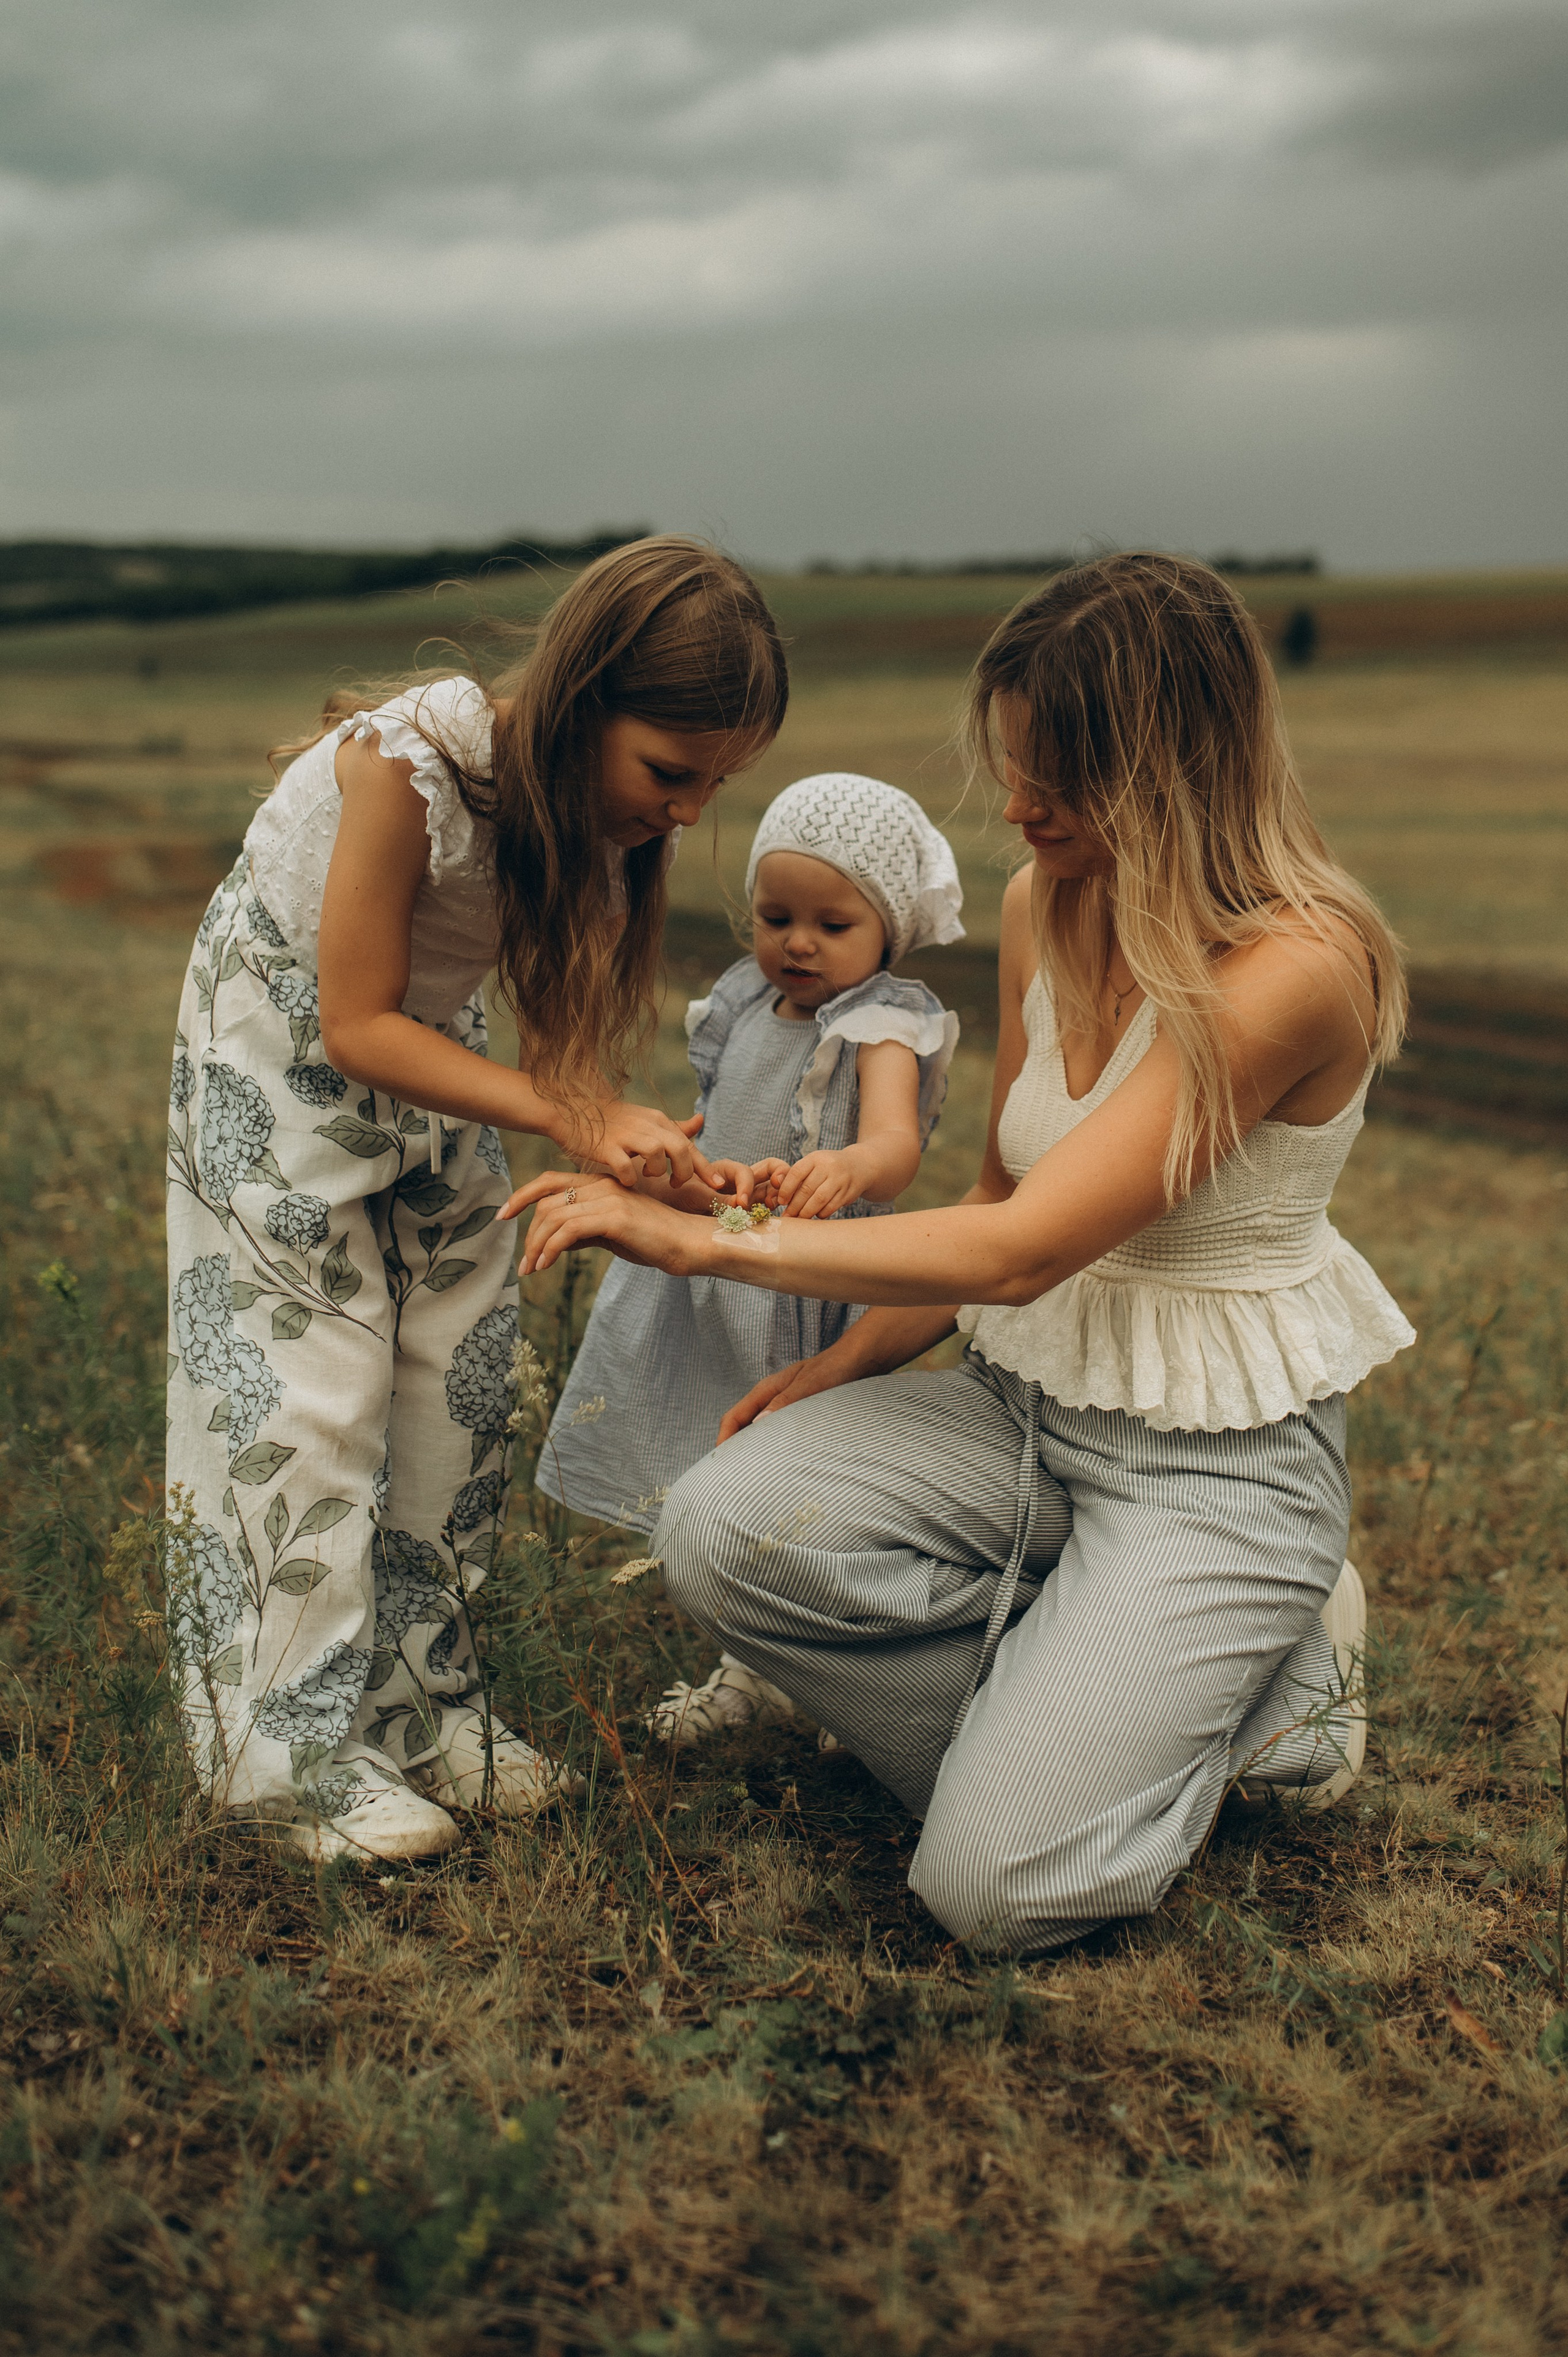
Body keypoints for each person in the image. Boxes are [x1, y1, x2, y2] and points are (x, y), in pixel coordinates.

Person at [507, 551, 1417, 1954]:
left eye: (1055, 776)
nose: (1014, 807)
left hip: (1213, 1469)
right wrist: (853, 1371)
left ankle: (1269, 1700)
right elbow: (997, 1187)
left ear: (1167, 767)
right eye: (1011, 766)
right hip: (1016, 1413)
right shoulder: (1042, 904)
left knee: (988, 1888)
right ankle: (1106, 1704)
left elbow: (1016, 1246)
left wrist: (701, 1235)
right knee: (718, 1528)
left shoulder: (1297, 966)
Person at [164, 537, 788, 1861]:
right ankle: (283, 1758)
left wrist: (634, 1146)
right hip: (285, 1057)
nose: (686, 812)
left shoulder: (597, 824)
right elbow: (352, 1023)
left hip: (429, 1062)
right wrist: (571, 1113)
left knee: (457, 1376)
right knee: (311, 1386)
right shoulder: (411, 770)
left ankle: (419, 1707)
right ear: (578, 702)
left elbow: (555, 1054)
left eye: (714, 785)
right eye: (670, 773)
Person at [528, 774, 963, 1741]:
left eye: (832, 924)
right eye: (776, 916)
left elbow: (897, 1147)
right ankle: (752, 1653)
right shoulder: (739, 999)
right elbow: (725, 1133)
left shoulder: (884, 1019)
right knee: (715, 1433)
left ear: (887, 927)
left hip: (819, 1266)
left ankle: (788, 1662)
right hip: (729, 1247)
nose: (797, 943)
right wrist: (684, 1171)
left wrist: (846, 1164)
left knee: (791, 1469)